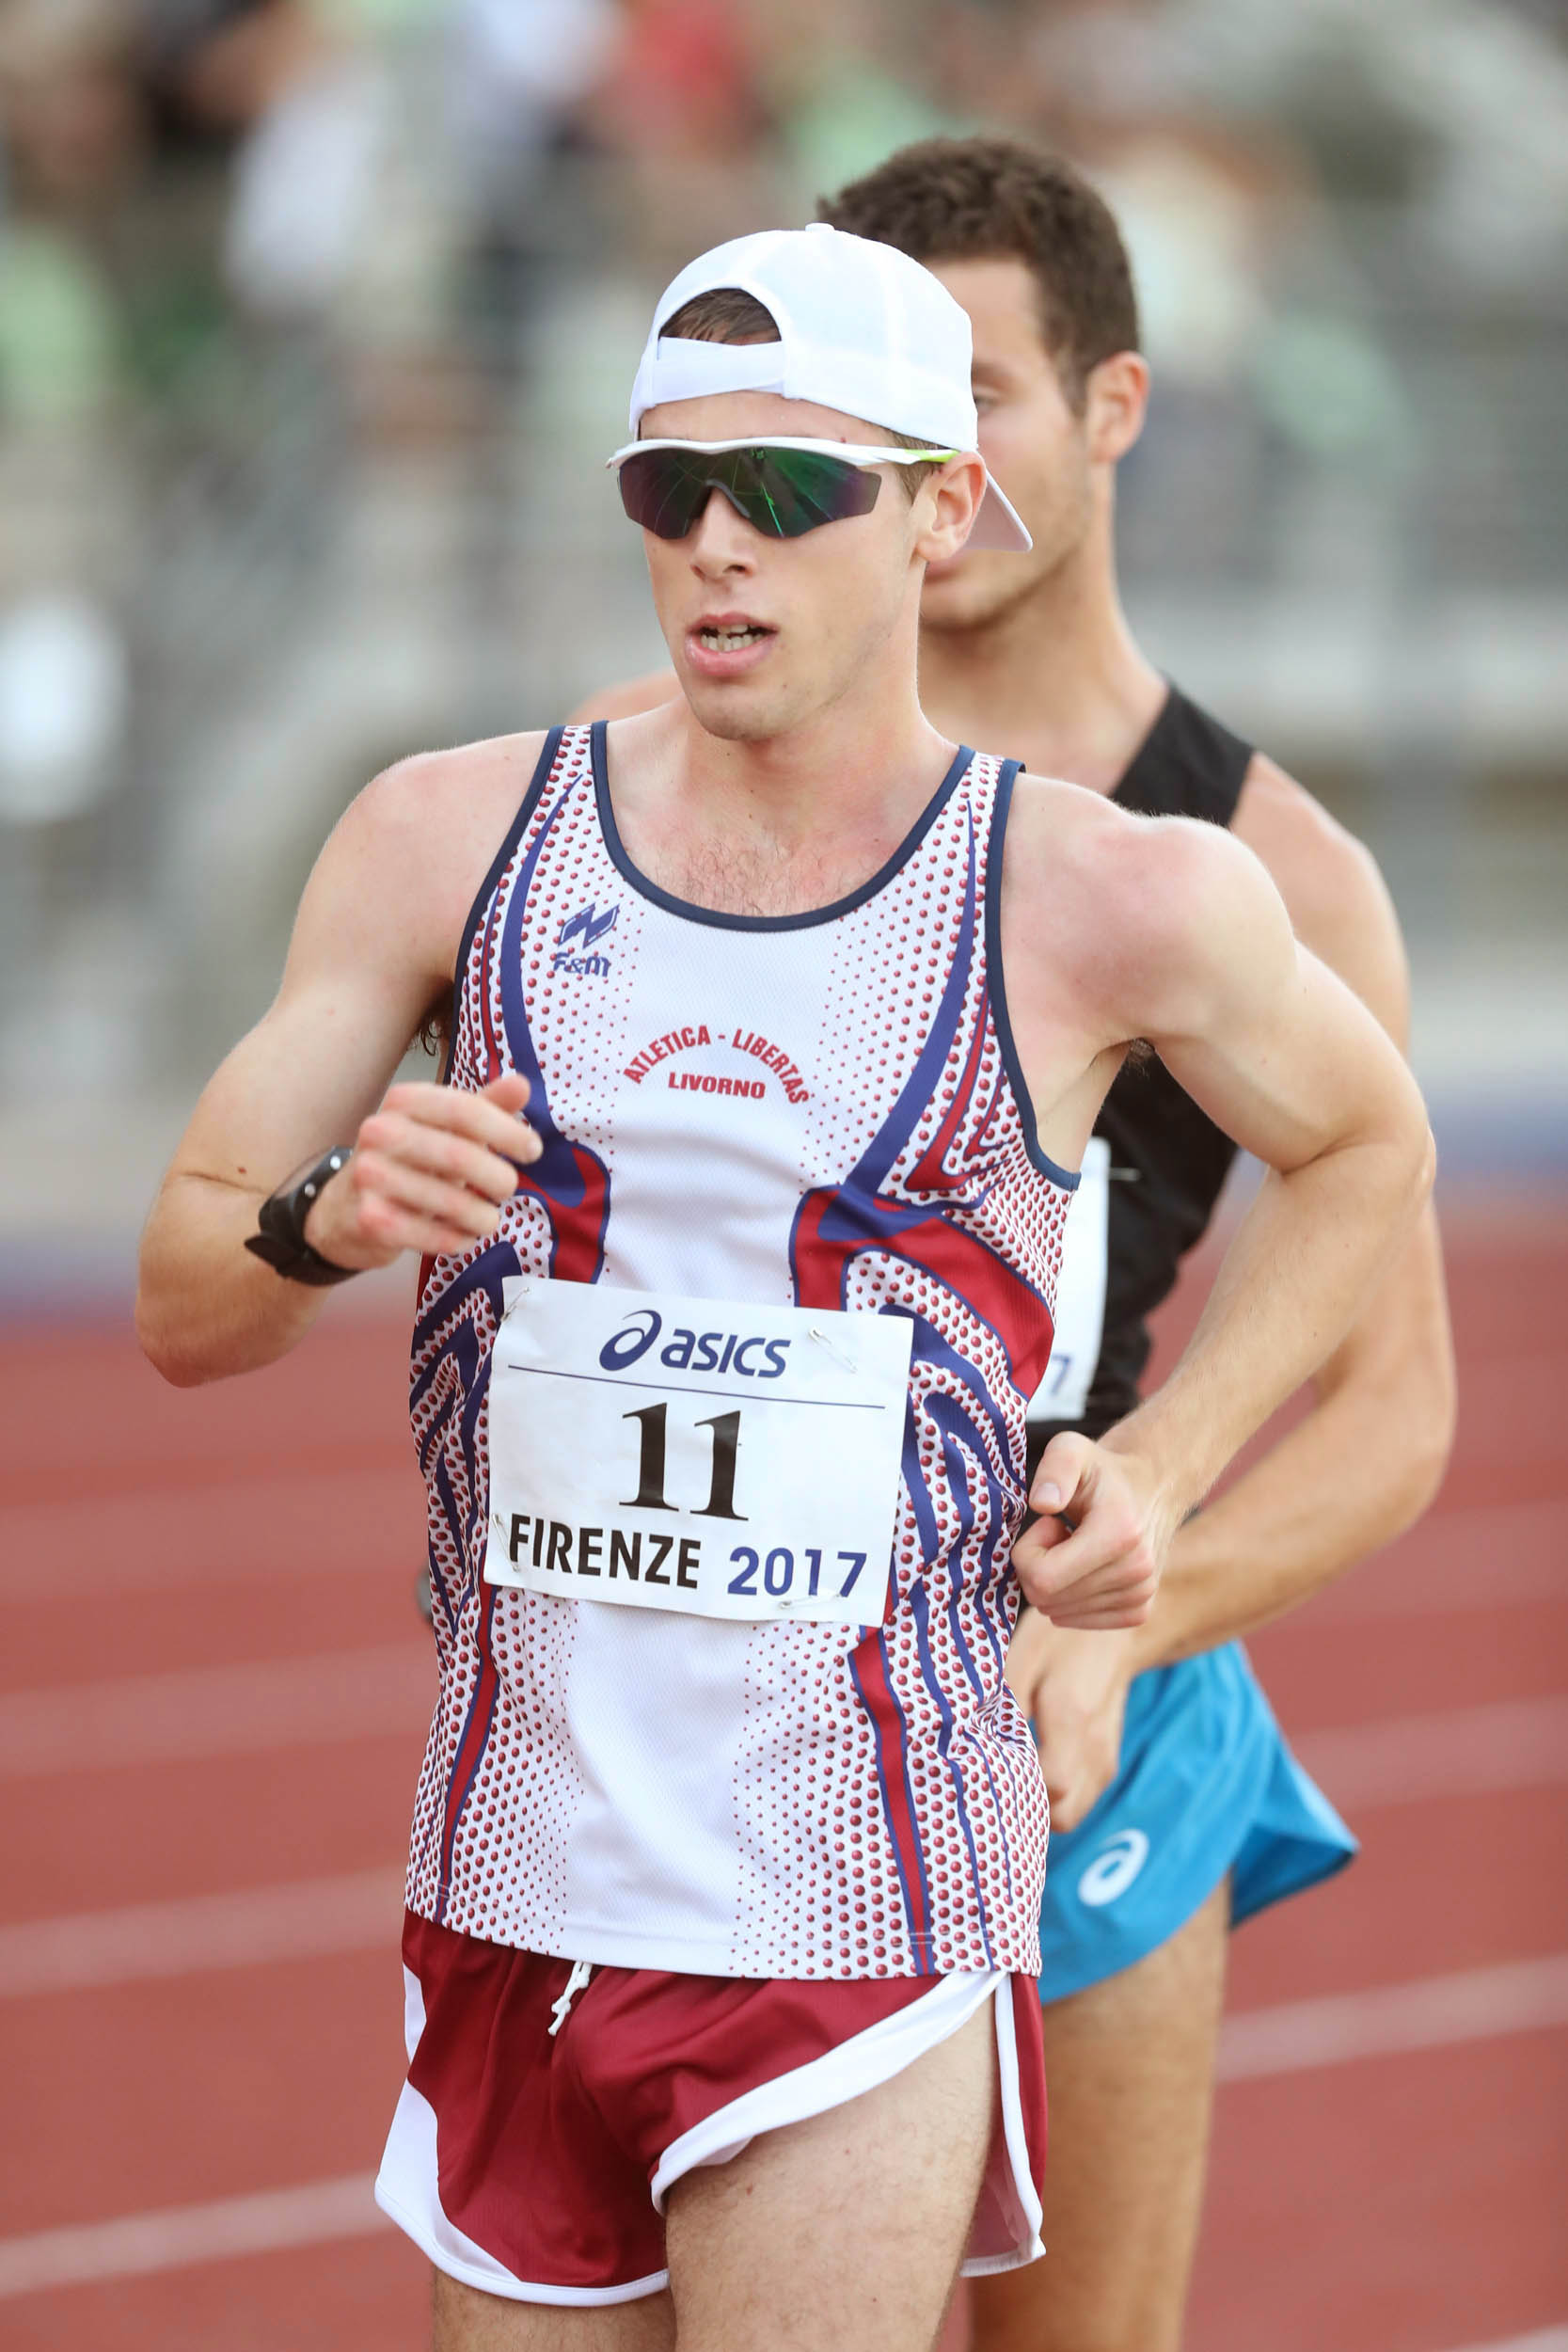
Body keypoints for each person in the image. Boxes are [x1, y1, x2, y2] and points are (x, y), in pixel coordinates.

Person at [136, 219, 1433, 2352]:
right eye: (671, 486)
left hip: (861, 1896)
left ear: (941, 507)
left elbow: (1369, 1142)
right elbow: (188, 1297)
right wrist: (322, 1221)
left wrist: (1164, 1464)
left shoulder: (1107, 889)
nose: (719, 541)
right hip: (516, 1876)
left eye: (792, 485)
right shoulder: (447, 838)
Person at [571, 140, 1456, 2352]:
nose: (914, 441)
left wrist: (1125, 1623)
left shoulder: (1267, 868)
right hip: (715, 1709)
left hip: (1078, 1704)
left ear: (1110, 407)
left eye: (968, 387)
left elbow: (1393, 1414)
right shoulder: (658, 795)